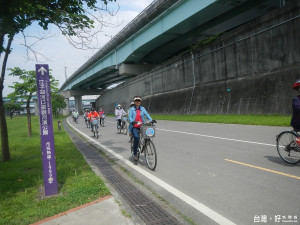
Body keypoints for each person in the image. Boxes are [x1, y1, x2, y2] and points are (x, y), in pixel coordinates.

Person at [129, 96, 155, 161]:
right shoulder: (131, 109)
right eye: (136, 100)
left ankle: (144, 146)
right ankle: (135, 153)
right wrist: (132, 121)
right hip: (134, 126)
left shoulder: (142, 108)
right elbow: (130, 117)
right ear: (134, 102)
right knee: (136, 138)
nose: (138, 102)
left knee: (147, 136)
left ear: (140, 102)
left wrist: (151, 120)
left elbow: (147, 115)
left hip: (142, 125)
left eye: (139, 101)